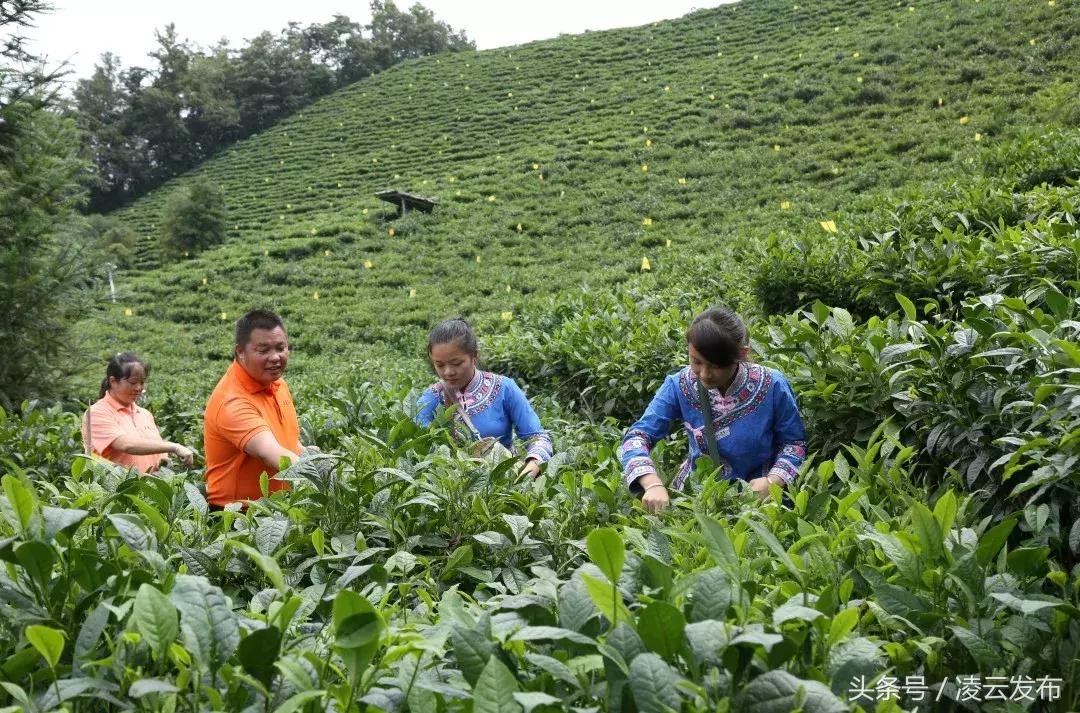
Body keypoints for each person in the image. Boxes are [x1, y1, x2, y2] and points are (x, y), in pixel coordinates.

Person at [619, 306, 806, 512]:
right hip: (698, 498)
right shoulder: (678, 385)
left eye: (716, 365)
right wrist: (652, 484)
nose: (705, 374)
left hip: (759, 500)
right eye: (696, 361)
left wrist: (773, 481)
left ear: (742, 354)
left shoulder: (772, 385)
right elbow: (637, 437)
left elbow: (794, 443)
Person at [415, 318, 553, 476]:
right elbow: (416, 443)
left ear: (474, 357)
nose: (448, 372)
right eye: (439, 365)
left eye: (457, 363)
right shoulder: (432, 397)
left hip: (503, 479)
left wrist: (532, 465)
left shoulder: (504, 388)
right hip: (454, 484)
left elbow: (538, 436)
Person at [204, 309, 312, 509]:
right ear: (240, 352)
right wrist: (317, 478)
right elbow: (268, 452)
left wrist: (305, 453)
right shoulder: (232, 401)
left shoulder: (277, 385)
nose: (275, 357)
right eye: (263, 350)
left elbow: (283, 441)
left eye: (281, 348)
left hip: (279, 507)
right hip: (239, 515)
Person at [81, 353, 196, 473]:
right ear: (113, 381)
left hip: (149, 484)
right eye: (133, 382)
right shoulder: (97, 413)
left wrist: (165, 462)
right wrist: (175, 447)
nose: (138, 388)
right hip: (119, 485)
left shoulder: (145, 414)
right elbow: (126, 445)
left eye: (142, 382)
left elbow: (156, 451)